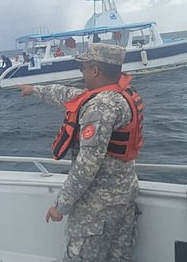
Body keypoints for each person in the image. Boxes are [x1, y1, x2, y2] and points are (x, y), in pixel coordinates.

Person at [17, 43, 143, 261]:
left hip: (97, 209)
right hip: (123, 199)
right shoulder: (119, 95)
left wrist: (61, 206)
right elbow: (70, 95)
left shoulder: (100, 107)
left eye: (83, 67)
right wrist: (36, 90)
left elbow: (87, 166)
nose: (81, 72)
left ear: (95, 70)